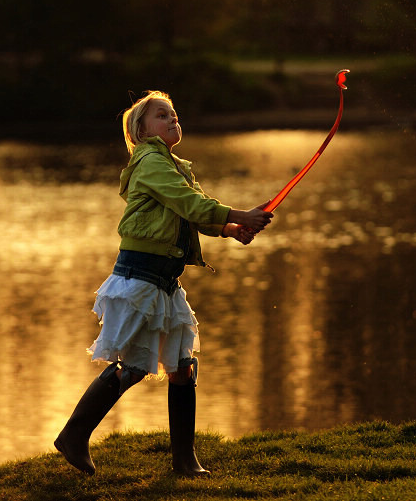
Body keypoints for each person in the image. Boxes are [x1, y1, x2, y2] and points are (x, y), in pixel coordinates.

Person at [54, 90, 273, 477]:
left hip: (165, 281)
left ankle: (184, 461)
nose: (173, 120)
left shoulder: (174, 165)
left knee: (182, 367)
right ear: (140, 131)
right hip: (139, 277)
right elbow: (188, 203)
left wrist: (232, 228)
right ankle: (73, 436)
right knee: (132, 367)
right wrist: (241, 213)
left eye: (174, 115)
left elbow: (194, 209)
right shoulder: (151, 162)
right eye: (161, 116)